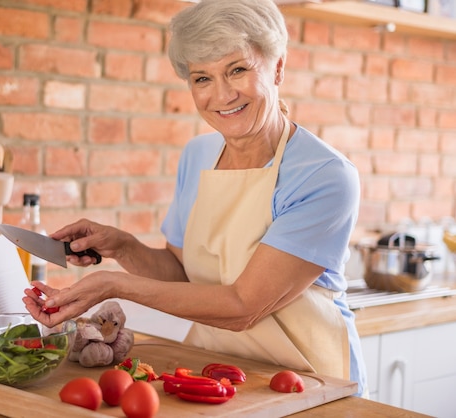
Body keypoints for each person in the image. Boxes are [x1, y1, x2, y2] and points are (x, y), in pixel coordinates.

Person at [23, 0, 367, 397]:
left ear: (277, 68)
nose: (221, 95)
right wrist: (122, 246)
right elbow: (183, 274)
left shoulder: (323, 176)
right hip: (222, 378)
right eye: (202, 78)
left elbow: (242, 306)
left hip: (310, 383)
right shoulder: (198, 156)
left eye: (237, 70)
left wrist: (112, 285)